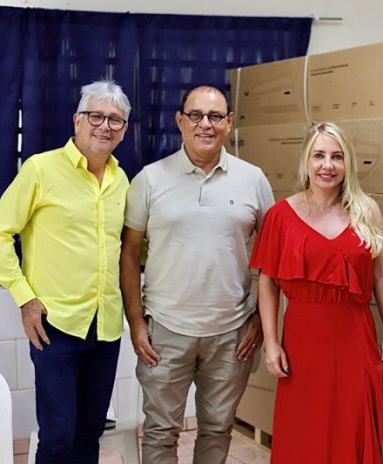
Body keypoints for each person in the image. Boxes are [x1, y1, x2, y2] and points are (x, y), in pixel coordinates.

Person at [120, 84, 274, 464]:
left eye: (215, 116)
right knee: (160, 432)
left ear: (229, 122)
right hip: (165, 331)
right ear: (180, 120)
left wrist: (260, 319)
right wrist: (136, 322)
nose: (205, 124)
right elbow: (129, 254)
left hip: (232, 333)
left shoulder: (253, 179)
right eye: (196, 115)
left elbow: (273, 258)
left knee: (217, 429)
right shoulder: (149, 179)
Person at [0, 80, 131, 463]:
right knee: (58, 436)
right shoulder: (40, 169)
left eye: (115, 120)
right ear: (77, 120)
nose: (105, 126)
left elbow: (128, 248)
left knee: (90, 430)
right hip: (56, 326)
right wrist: (25, 298)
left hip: (106, 326)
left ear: (124, 130)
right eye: (96, 116)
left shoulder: (121, 180)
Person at [250, 122, 383, 463]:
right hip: (301, 345)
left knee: (352, 425)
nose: (327, 165)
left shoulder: (366, 211)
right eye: (319, 156)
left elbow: (382, 275)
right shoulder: (280, 216)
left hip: (354, 341)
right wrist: (271, 342)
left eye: (337, 156)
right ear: (306, 161)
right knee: (305, 431)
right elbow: (268, 282)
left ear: (348, 163)